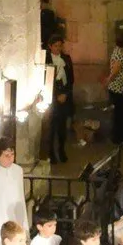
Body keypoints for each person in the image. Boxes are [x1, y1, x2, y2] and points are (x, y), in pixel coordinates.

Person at [44, 35, 73, 163]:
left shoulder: (66, 58)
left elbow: (71, 78)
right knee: (51, 126)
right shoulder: (46, 58)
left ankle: (61, 150)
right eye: (55, 46)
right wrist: (56, 95)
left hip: (64, 94)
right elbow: (45, 79)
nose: (58, 48)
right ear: (50, 46)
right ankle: (50, 153)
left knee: (62, 126)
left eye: (60, 46)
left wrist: (65, 93)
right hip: (51, 95)